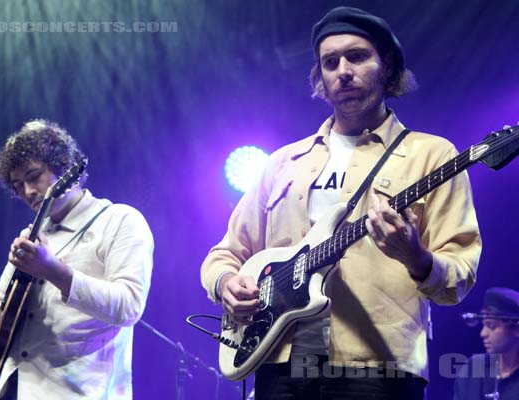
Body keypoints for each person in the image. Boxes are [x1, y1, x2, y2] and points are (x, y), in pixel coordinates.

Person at [200, 6, 481, 399]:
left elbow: (461, 273)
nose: (343, 70)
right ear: (320, 77)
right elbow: (225, 254)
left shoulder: (432, 156)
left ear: (387, 67)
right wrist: (227, 283)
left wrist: (415, 256)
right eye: (330, 62)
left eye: (358, 56)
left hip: (377, 371)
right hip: (279, 366)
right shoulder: (283, 162)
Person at [0, 120, 154, 399]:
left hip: (77, 391)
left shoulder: (121, 220)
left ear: (65, 167)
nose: (27, 191)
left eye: (34, 176)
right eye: (18, 185)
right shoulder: (31, 234)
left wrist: (54, 271)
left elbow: (129, 307)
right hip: (11, 388)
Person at [454, 287, 519, 400]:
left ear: (516, 329)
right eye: (484, 325)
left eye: (491, 326)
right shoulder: (472, 368)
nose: (483, 333)